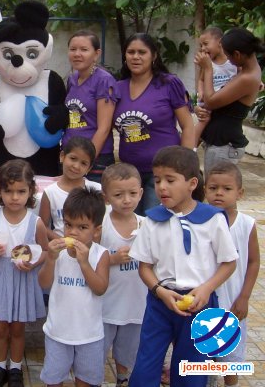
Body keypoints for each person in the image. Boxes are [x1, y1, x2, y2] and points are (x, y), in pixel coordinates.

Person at [128, 146, 238, 387]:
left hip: (200, 305)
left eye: (170, 180)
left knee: (191, 372)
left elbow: (229, 262)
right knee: (145, 367)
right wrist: (159, 291)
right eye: (157, 180)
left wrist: (207, 288)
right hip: (160, 302)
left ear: (192, 183)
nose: (161, 187)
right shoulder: (152, 220)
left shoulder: (213, 219)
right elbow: (144, 267)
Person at [0, 160, 47, 387]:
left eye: (21, 191)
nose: (14, 197)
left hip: (22, 279)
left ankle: (15, 368)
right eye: (8, 191)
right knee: (0, 328)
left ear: (31, 191)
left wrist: (33, 263)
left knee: (17, 329)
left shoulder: (36, 222)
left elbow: (45, 250)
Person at [113, 33, 195, 215]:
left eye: (142, 52)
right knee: (130, 224)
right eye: (131, 52)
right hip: (129, 174)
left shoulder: (169, 84)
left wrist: (187, 166)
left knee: (154, 220)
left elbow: (188, 126)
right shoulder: (117, 88)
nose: (136, 57)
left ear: (154, 55)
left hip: (163, 173)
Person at [39, 187, 110, 387]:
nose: (72, 232)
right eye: (68, 224)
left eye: (82, 227)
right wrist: (50, 259)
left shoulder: (100, 255)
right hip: (57, 332)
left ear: (96, 231)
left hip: (89, 335)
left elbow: (100, 288)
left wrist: (84, 263)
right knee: (53, 380)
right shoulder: (58, 253)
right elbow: (43, 283)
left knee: (86, 381)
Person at [205, 162, 260, 387]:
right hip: (205, 303)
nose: (219, 193)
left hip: (232, 304)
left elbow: (254, 262)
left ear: (240, 192)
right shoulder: (200, 221)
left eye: (226, 189)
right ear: (204, 190)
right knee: (205, 353)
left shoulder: (246, 224)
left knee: (230, 358)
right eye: (213, 188)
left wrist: (244, 297)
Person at [99, 164, 146, 386]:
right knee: (97, 350)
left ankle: (122, 378)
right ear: (106, 197)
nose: (126, 200)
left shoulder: (146, 225)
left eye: (132, 193)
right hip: (105, 305)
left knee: (128, 351)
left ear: (141, 193)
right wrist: (112, 259)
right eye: (118, 195)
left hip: (136, 305)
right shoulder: (100, 225)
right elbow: (88, 258)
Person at [195, 28, 264, 173]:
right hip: (220, 142)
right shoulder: (247, 71)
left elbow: (210, 101)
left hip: (224, 145)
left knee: (215, 186)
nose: (228, 60)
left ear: (237, 54)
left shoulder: (247, 78)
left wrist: (208, 69)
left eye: (228, 55)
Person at [63, 30, 119, 182]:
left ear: (96, 54)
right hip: (71, 156)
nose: (77, 54)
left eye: (84, 49)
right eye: (73, 49)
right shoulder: (72, 79)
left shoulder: (104, 80)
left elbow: (104, 128)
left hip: (94, 159)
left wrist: (85, 160)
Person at [39, 136, 101, 240]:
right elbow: (42, 226)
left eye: (83, 163)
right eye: (73, 159)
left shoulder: (97, 189)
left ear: (89, 168)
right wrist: (62, 242)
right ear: (62, 156)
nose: (76, 166)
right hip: (60, 247)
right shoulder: (50, 192)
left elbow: (102, 225)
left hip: (89, 247)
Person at [193, 27, 237, 145]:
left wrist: (258, 82)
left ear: (220, 42)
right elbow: (201, 80)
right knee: (203, 121)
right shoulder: (208, 64)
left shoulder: (233, 62)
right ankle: (192, 147)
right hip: (209, 98)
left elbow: (245, 74)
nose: (203, 48)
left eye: (206, 44)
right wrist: (200, 92)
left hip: (224, 99)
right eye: (201, 45)